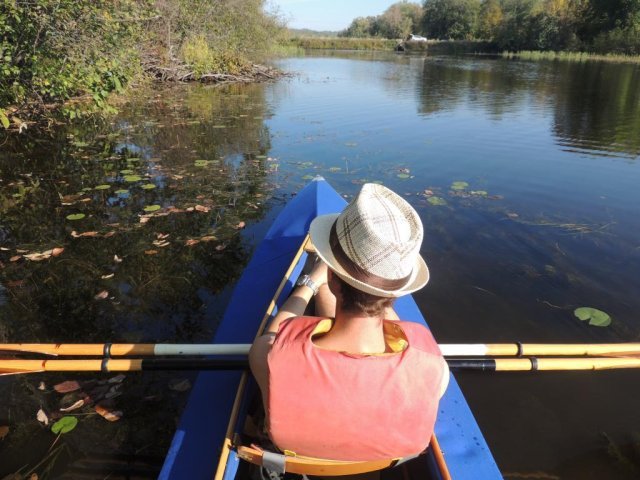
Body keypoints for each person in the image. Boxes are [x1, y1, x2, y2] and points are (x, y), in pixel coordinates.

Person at [249, 183, 449, 464]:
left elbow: (276, 335)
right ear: (395, 294)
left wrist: (310, 283)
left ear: (333, 278)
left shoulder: (268, 356)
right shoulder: (435, 368)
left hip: (296, 453)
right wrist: (380, 298)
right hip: (386, 458)